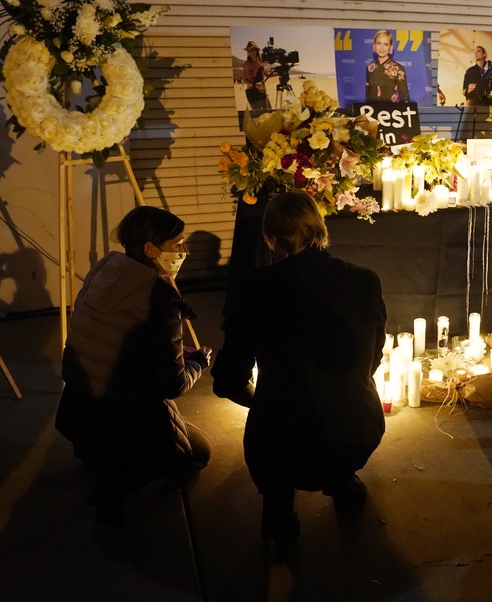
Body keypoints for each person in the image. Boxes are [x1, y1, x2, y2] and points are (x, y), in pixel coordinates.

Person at [211, 190, 387, 539]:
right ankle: (340, 479)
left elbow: (229, 378)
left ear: (271, 238)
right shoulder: (363, 280)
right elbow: (374, 356)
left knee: (277, 437)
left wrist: (262, 400)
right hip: (356, 427)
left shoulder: (256, 288)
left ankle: (278, 512)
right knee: (331, 425)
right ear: (319, 228)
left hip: (280, 439)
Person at [56, 206, 213, 525]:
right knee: (198, 454)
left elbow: (115, 332)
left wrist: (168, 347)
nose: (183, 252)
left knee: (108, 446)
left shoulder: (106, 267)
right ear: (151, 249)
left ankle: (97, 453)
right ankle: (114, 490)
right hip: (127, 410)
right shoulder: (159, 294)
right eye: (177, 245)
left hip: (78, 404)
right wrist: (197, 361)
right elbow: (173, 385)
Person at [365, 29, 409, 103]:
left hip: (393, 113)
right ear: (374, 46)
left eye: (385, 44)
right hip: (373, 112)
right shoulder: (370, 68)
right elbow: (368, 96)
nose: (382, 48)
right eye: (379, 43)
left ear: (390, 47)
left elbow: (405, 98)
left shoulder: (398, 69)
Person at [242, 40, 269, 110]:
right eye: (250, 50)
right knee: (258, 116)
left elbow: (267, 75)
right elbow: (245, 80)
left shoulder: (261, 63)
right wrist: (255, 85)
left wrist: (279, 72)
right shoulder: (247, 64)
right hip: (252, 93)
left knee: (269, 113)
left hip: (263, 92)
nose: (252, 52)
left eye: (253, 50)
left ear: (257, 51)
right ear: (248, 52)